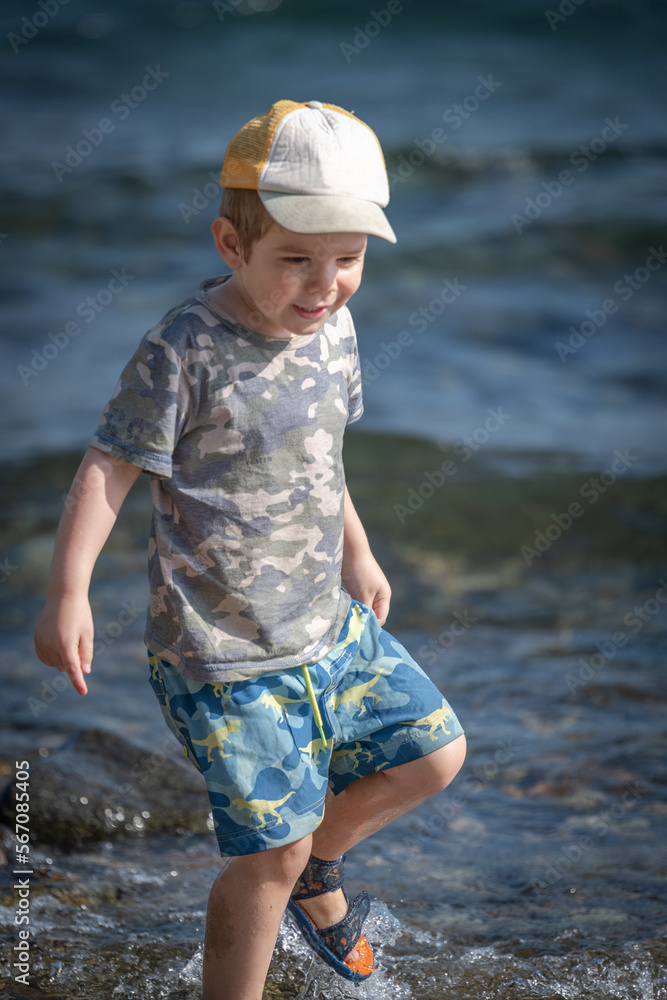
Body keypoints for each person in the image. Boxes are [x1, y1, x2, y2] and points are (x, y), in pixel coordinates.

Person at [34, 99, 466, 1000]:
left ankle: (324, 866)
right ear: (232, 247)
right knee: (267, 855)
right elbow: (110, 467)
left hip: (325, 624)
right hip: (221, 657)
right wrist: (68, 594)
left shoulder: (334, 329)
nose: (324, 286)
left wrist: (359, 551)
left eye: (347, 261)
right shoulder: (182, 350)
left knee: (433, 754)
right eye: (296, 261)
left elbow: (322, 457)